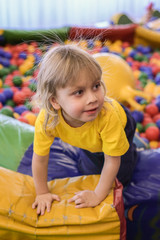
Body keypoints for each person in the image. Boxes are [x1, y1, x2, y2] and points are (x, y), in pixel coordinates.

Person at [32, 44, 137, 216]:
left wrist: (97, 195)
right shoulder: (47, 120)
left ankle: (131, 148)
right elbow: (40, 159)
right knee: (89, 169)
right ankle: (98, 148)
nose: (93, 98)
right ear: (55, 101)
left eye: (96, 86)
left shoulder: (107, 116)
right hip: (91, 138)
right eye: (79, 92)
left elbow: (112, 161)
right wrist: (42, 192)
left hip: (121, 125)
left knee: (121, 177)